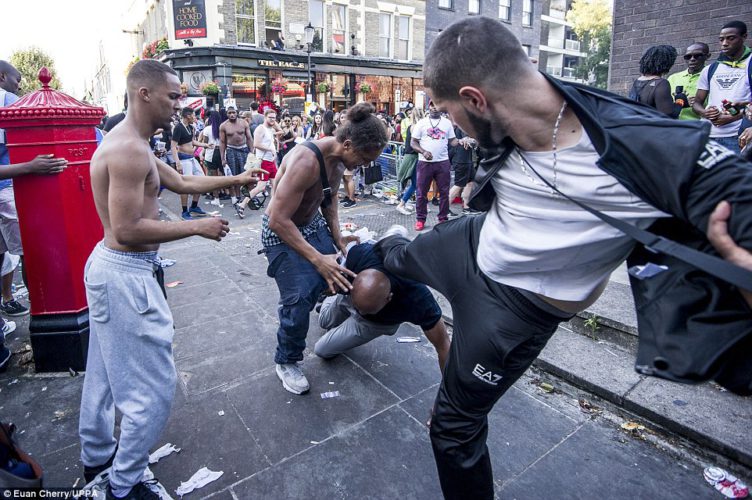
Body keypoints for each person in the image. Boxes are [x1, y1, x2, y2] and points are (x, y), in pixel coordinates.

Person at [374, 17, 752, 499]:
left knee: (451, 431)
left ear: (475, 100)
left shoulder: (654, 149)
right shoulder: (512, 105)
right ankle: (357, 257)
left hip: (511, 314)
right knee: (390, 254)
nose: (450, 124)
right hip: (471, 242)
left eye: (448, 111)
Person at [79, 59, 263, 500]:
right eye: (174, 95)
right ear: (144, 94)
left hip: (113, 270)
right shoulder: (127, 150)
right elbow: (126, 229)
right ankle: (122, 485)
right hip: (125, 275)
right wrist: (195, 228)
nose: (180, 104)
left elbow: (180, 181)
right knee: (155, 390)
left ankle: (97, 458)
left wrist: (237, 177)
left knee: (103, 376)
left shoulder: (134, 143)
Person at [263, 102, 389, 395]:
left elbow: (329, 198)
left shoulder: (338, 161)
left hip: (311, 224)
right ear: (347, 144)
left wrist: (337, 238)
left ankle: (329, 308)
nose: (365, 165)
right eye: (364, 158)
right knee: (299, 297)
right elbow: (277, 219)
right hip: (280, 232)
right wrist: (319, 259)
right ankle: (286, 360)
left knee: (343, 270)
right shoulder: (307, 161)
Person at [314, 242, 450, 370]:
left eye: (367, 310)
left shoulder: (418, 300)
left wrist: (450, 391)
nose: (359, 312)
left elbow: (443, 345)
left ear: (388, 298)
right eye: (359, 307)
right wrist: (333, 287)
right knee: (324, 321)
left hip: (375, 323)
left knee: (322, 350)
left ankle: (352, 320)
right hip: (348, 297)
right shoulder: (360, 254)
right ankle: (334, 302)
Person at [693, 20, 751, 154]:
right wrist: (704, 112)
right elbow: (696, 103)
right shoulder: (710, 69)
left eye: (731, 38)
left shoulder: (750, 63)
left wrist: (734, 116)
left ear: (744, 37)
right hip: (709, 136)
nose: (724, 43)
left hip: (739, 136)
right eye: (721, 39)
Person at [410, 101, 462, 230]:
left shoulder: (447, 123)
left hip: (443, 162)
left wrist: (462, 141)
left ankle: (442, 218)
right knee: (421, 193)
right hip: (424, 163)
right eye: (432, 105)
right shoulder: (421, 123)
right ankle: (420, 219)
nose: (434, 108)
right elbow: (413, 142)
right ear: (429, 106)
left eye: (437, 105)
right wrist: (423, 151)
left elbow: (453, 141)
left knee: (444, 193)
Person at [235, 108, 280, 218]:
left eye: (274, 118)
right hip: (264, 162)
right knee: (261, 187)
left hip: (271, 162)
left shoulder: (271, 128)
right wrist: (271, 150)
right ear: (265, 117)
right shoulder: (260, 128)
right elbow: (256, 144)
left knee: (276, 186)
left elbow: (280, 131)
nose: (273, 120)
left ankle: (272, 211)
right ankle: (242, 204)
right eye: (270, 117)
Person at [170, 107, 211, 220]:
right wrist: (177, 162)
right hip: (183, 160)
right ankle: (184, 211)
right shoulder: (178, 127)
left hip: (192, 159)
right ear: (188, 116)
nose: (195, 117)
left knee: (201, 181)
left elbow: (192, 141)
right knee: (186, 186)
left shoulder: (190, 127)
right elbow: (173, 146)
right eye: (193, 115)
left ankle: (194, 206)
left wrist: (205, 145)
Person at [628, 45, 683, 118]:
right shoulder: (661, 83)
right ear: (667, 63)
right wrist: (680, 100)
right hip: (652, 128)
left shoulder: (637, 82)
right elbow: (668, 115)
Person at [667, 43, 711, 121]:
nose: (692, 59)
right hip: (673, 126)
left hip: (699, 126)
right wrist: (680, 102)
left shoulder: (711, 77)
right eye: (688, 57)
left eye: (697, 55)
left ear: (707, 56)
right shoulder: (673, 78)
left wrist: (698, 103)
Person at [220, 106, 253, 206]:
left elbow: (249, 138)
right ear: (227, 114)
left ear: (237, 112)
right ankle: (238, 197)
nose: (232, 115)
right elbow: (222, 142)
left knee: (248, 174)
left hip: (244, 150)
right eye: (229, 113)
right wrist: (222, 158)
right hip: (231, 151)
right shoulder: (223, 126)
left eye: (233, 112)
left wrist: (252, 152)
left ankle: (250, 197)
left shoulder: (243, 123)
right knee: (235, 176)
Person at [395, 107, 424, 215]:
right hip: (413, 158)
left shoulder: (411, 126)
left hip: (411, 157)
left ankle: (420, 204)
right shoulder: (416, 127)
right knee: (416, 184)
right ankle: (401, 204)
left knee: (417, 183)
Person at [447, 124, 477, 215]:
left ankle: (466, 206)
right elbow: (468, 141)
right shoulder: (462, 125)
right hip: (461, 160)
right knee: (459, 184)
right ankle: (444, 208)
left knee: (471, 182)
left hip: (466, 159)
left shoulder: (463, 125)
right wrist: (477, 140)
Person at [198, 110, 224, 207]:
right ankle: (233, 197)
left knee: (213, 177)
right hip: (222, 152)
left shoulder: (207, 129)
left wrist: (202, 153)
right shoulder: (222, 127)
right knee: (225, 174)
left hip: (211, 153)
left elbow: (205, 143)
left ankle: (216, 198)